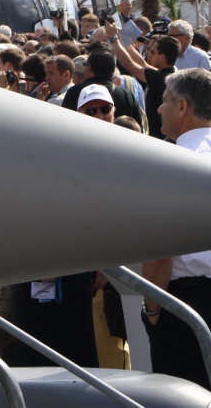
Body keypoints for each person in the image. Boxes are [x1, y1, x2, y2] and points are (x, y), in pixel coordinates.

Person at [143, 68, 211, 388]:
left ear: (182, 107)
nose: (159, 108)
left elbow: (159, 256)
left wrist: (154, 311)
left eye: (165, 101)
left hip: (187, 308)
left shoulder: (170, 164)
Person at [106, 22, 179, 138]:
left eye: (153, 52)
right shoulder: (172, 72)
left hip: (157, 135)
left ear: (162, 57)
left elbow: (129, 65)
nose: (149, 53)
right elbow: (142, 63)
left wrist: (113, 38)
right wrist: (122, 39)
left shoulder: (160, 78)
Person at [62, 46, 144, 129]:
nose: (100, 117)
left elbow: (64, 125)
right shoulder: (127, 96)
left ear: (89, 67)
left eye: (106, 109)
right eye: (90, 111)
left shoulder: (74, 92)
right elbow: (139, 130)